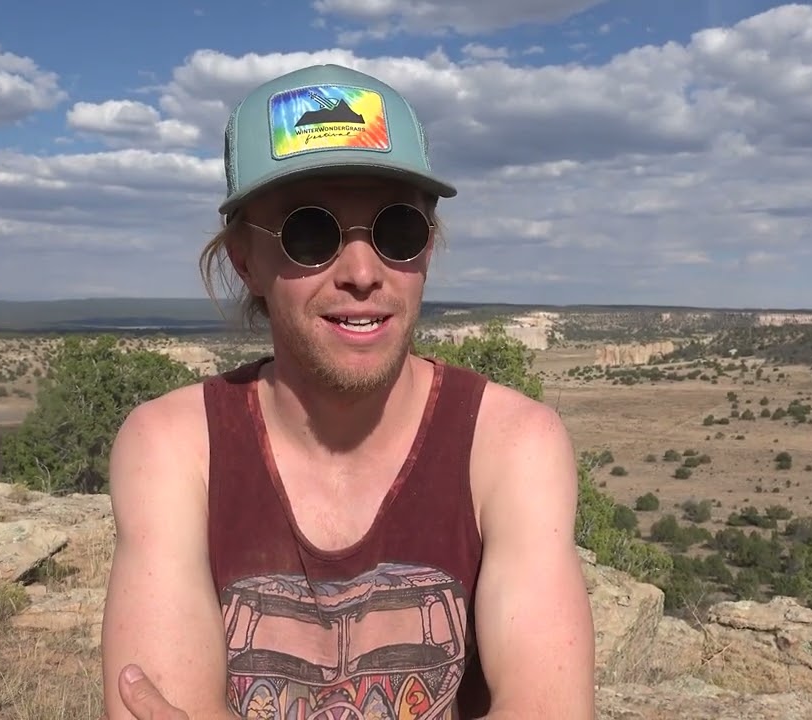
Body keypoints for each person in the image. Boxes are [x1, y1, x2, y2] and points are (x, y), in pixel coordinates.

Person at [100, 63, 596, 719]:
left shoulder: (510, 444)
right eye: (310, 233)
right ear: (246, 261)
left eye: (398, 231)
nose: (362, 272)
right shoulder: (174, 447)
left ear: (427, 250)